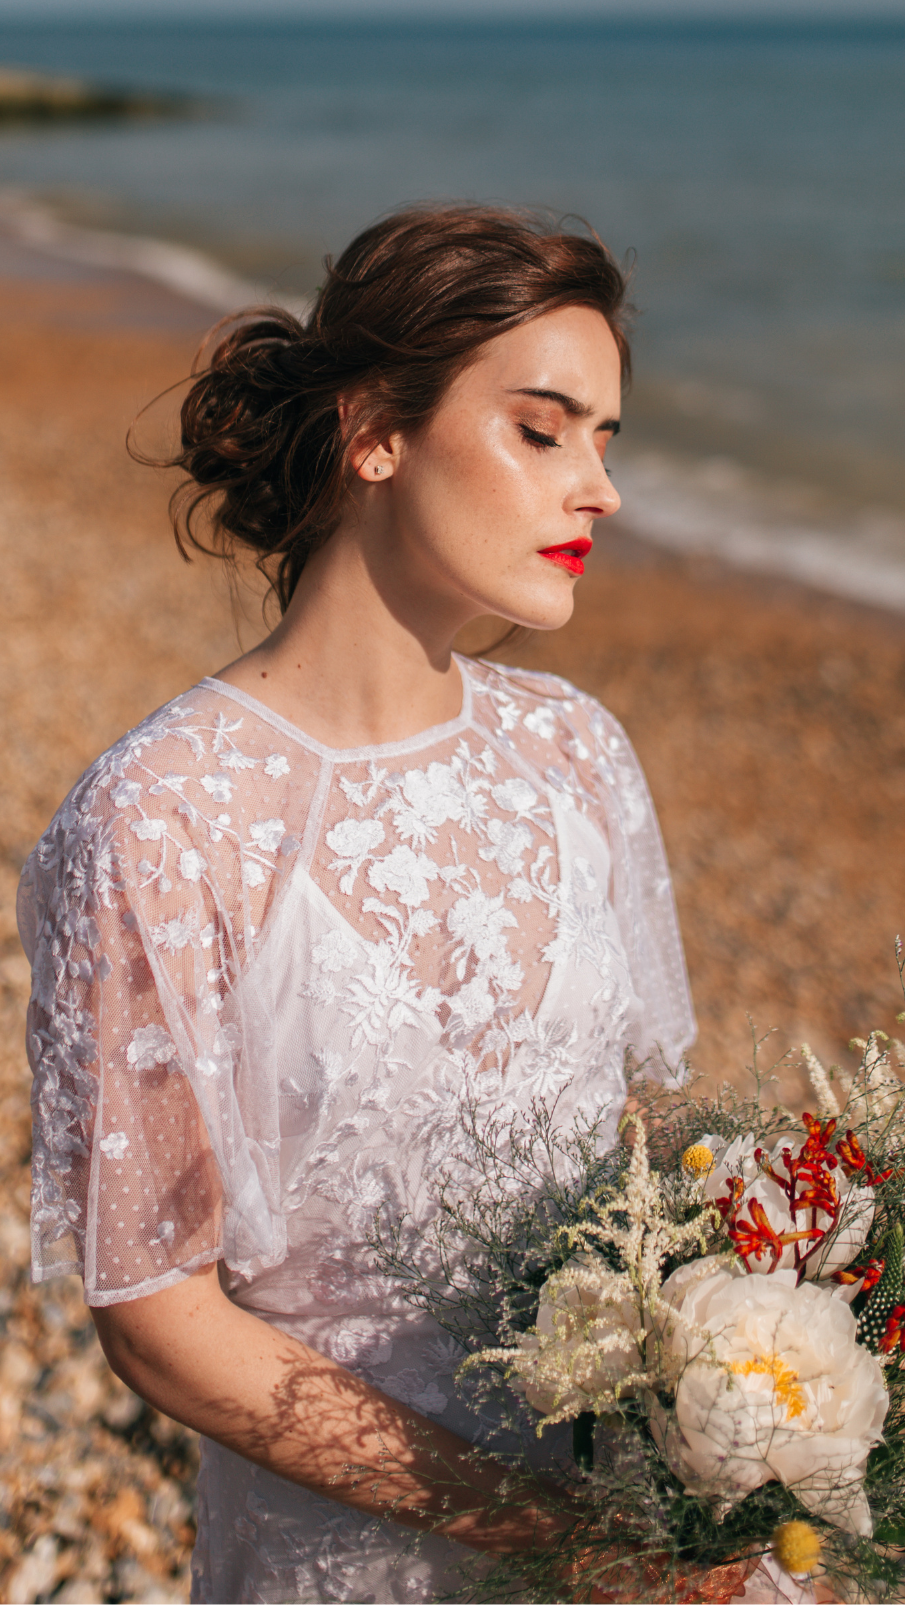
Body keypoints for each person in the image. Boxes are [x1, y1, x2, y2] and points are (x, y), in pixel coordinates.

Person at [17, 204, 696, 1604]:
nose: (601, 490)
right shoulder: (158, 818)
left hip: (633, 1531)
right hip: (349, 1561)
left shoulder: (580, 755)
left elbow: (656, 1145)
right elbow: (154, 1316)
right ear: (375, 432)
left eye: (607, 440)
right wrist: (540, 1533)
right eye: (544, 428)